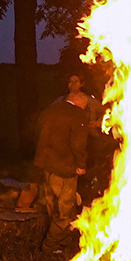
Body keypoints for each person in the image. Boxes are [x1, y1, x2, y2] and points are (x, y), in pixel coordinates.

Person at [33, 74, 95, 241]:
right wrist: (81, 164)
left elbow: (40, 133)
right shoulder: (78, 115)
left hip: (46, 164)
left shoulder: (49, 110)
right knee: (66, 211)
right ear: (80, 103)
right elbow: (78, 144)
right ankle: (51, 246)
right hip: (65, 168)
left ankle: (61, 240)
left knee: (52, 205)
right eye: (85, 107)